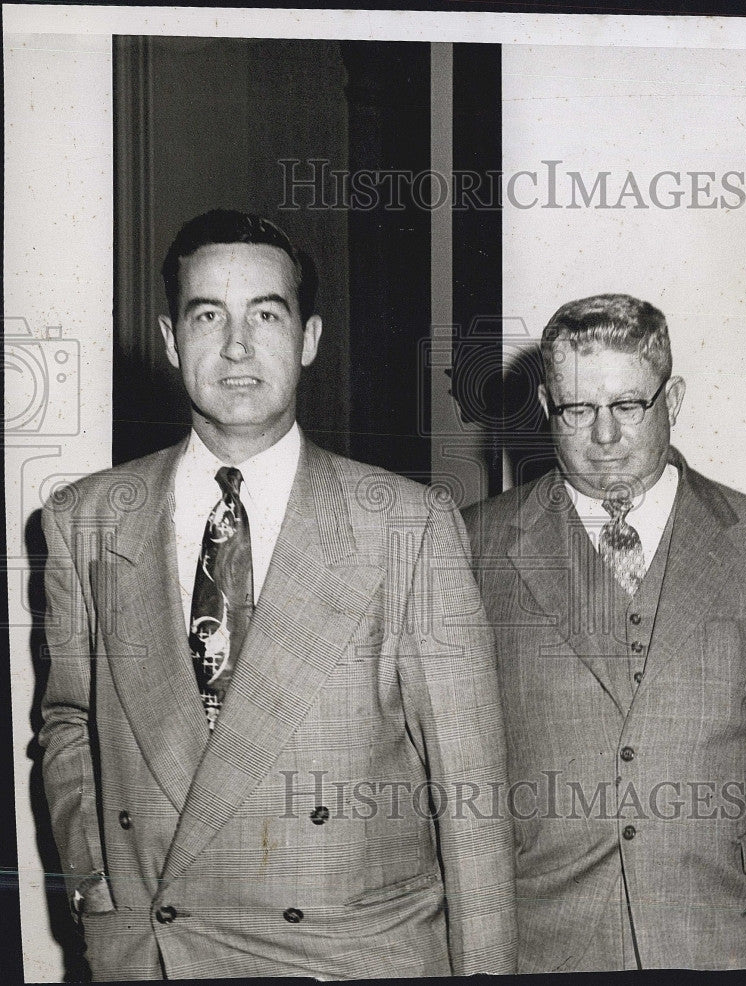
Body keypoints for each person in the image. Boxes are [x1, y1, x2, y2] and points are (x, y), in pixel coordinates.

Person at [39, 209, 515, 980]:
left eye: (266, 314)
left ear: (309, 338)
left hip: (346, 953)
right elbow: (68, 721)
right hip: (157, 950)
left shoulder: (405, 523)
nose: (236, 346)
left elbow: (471, 787)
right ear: (169, 341)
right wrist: (98, 882)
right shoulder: (84, 518)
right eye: (207, 316)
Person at [463, 293, 746, 972]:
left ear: (673, 399)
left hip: (727, 928)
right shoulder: (476, 544)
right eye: (579, 410)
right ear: (550, 409)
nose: (604, 437)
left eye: (628, 406)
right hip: (547, 935)